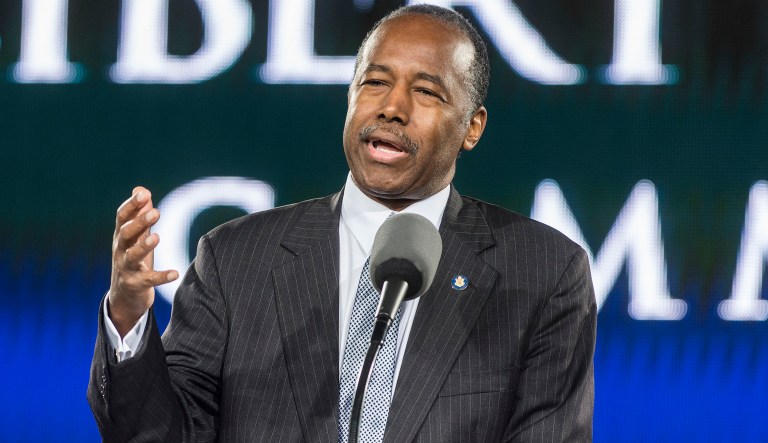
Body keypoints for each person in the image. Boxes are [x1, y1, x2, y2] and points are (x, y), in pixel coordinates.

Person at [88, 4, 596, 442]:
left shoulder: (543, 274)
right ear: (350, 97)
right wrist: (129, 317)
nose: (392, 108)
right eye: (375, 82)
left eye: (426, 92)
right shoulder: (235, 258)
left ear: (472, 127)